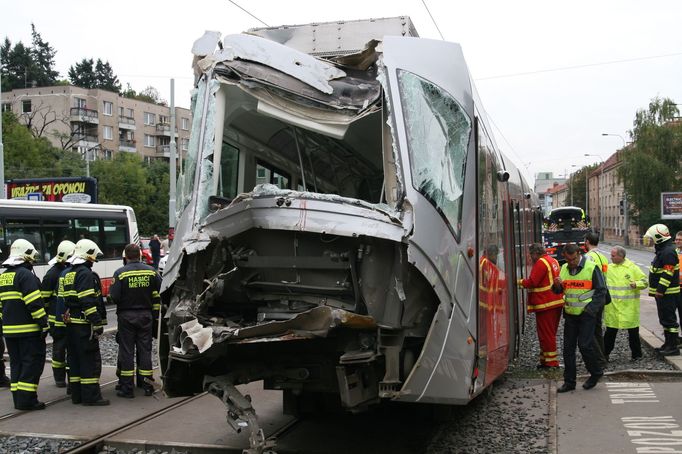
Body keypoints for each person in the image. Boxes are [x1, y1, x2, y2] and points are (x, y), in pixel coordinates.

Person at [0, 239, 48, 410]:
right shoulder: (26, 275)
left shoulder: (3, 276)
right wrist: (44, 324)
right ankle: (28, 400)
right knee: (31, 363)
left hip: (9, 332)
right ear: (27, 256)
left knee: (16, 364)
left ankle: (18, 400)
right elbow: (34, 303)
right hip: (28, 331)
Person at [110, 243, 161, 398]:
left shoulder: (120, 273)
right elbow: (160, 291)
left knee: (127, 351)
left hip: (126, 317)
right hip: (146, 315)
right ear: (140, 254)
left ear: (125, 256)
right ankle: (146, 384)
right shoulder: (152, 272)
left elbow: (115, 297)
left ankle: (127, 387)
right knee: (145, 350)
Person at [63, 239, 110, 406]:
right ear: (88, 255)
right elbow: (88, 301)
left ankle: (77, 395)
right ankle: (91, 397)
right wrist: (97, 323)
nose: (94, 261)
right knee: (89, 361)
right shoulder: (85, 274)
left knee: (74, 361)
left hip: (71, 326)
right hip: (84, 326)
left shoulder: (69, 273)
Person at [556, 243, 607, 392]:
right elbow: (560, 290)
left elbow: (601, 291)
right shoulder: (564, 268)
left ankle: (596, 372)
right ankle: (569, 382)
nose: (570, 263)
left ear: (578, 254)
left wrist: (590, 310)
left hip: (587, 315)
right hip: (570, 314)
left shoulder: (591, 268)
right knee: (568, 349)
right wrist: (557, 285)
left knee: (585, 346)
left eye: (572, 259)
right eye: (567, 260)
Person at [517, 243, 564, 368]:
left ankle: (551, 363)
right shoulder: (553, 260)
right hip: (555, 302)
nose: (530, 258)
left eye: (530, 255)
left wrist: (518, 282)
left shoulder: (541, 263)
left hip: (545, 303)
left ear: (535, 253)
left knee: (546, 334)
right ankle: (545, 359)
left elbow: (533, 282)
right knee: (550, 332)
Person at [41, 240, 75, 387]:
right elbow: (44, 299)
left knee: (63, 349)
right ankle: (60, 378)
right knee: (60, 350)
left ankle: (65, 377)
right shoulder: (53, 274)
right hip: (58, 321)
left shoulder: (55, 273)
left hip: (62, 319)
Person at [604, 246, 647, 361]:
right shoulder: (609, 268)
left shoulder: (632, 268)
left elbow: (645, 281)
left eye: (613, 255)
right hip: (613, 307)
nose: (611, 257)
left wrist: (637, 284)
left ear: (620, 256)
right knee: (610, 333)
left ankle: (637, 355)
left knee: (633, 333)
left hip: (629, 308)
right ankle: (604, 354)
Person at [644, 224, 680, 356]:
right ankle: (668, 344)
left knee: (669, 320)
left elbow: (668, 273)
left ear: (659, 238)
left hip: (667, 293)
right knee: (664, 319)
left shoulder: (668, 252)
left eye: (652, 238)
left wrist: (660, 290)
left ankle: (673, 347)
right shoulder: (663, 250)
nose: (650, 241)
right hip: (664, 294)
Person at [584, 232, 609, 368]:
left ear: (587, 242)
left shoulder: (588, 257)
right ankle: (602, 355)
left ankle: (598, 359)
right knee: (598, 328)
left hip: (592, 297)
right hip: (602, 296)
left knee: (590, 329)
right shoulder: (603, 257)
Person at [674, 230, 682, 347]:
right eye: (677, 239)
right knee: (672, 314)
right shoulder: (674, 252)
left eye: (680, 239)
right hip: (676, 288)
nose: (678, 241)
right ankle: (676, 338)